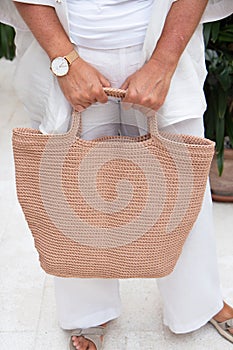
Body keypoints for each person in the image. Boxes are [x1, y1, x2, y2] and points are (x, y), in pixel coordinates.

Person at [1, 0, 233, 349]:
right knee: (72, 194)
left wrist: (164, 62)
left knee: (180, 182)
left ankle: (199, 302)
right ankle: (87, 312)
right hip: (69, 41)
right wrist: (65, 62)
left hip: (164, 36)